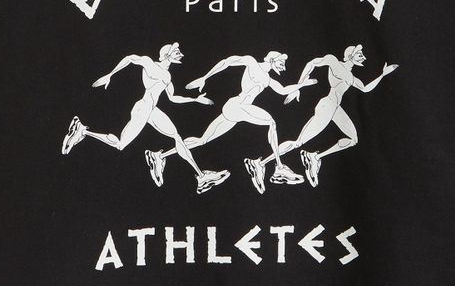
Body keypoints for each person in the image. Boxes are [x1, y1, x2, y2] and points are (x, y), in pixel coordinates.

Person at [61, 42, 229, 194]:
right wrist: (110, 75)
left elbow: (173, 98)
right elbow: (130, 58)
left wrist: (195, 99)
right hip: (143, 109)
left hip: (152, 111)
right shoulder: (150, 64)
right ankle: (82, 131)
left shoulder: (168, 76)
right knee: (120, 145)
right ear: (166, 54)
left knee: (176, 136)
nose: (180, 54)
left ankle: (199, 176)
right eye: (176, 52)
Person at [146, 51, 313, 194]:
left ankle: (159, 156)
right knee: (271, 122)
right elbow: (227, 62)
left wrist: (302, 85)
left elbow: (283, 90)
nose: (283, 66)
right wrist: (205, 77)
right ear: (272, 59)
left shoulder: (268, 79)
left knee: (202, 140)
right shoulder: (251, 62)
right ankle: (278, 168)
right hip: (237, 106)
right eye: (281, 62)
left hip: (235, 110)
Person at [256, 44, 398, 187]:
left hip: (335, 108)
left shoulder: (351, 77)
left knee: (353, 139)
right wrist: (299, 86)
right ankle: (261, 164)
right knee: (298, 142)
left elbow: (365, 89)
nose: (363, 57)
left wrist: (383, 74)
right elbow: (312, 63)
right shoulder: (334, 62)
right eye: (359, 54)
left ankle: (314, 157)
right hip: (327, 106)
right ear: (350, 55)